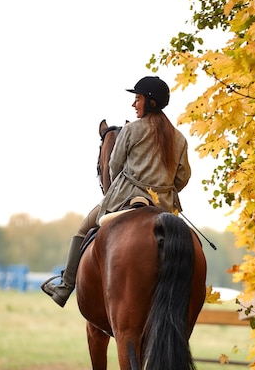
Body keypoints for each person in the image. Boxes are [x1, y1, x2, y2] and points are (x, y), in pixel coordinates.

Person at [41, 76, 191, 307]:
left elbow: (113, 165)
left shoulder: (132, 129)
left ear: (150, 102)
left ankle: (64, 287)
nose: (133, 104)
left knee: (82, 229)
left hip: (127, 198)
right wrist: (164, 190)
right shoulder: (179, 139)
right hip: (164, 205)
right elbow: (183, 177)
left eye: (137, 99)